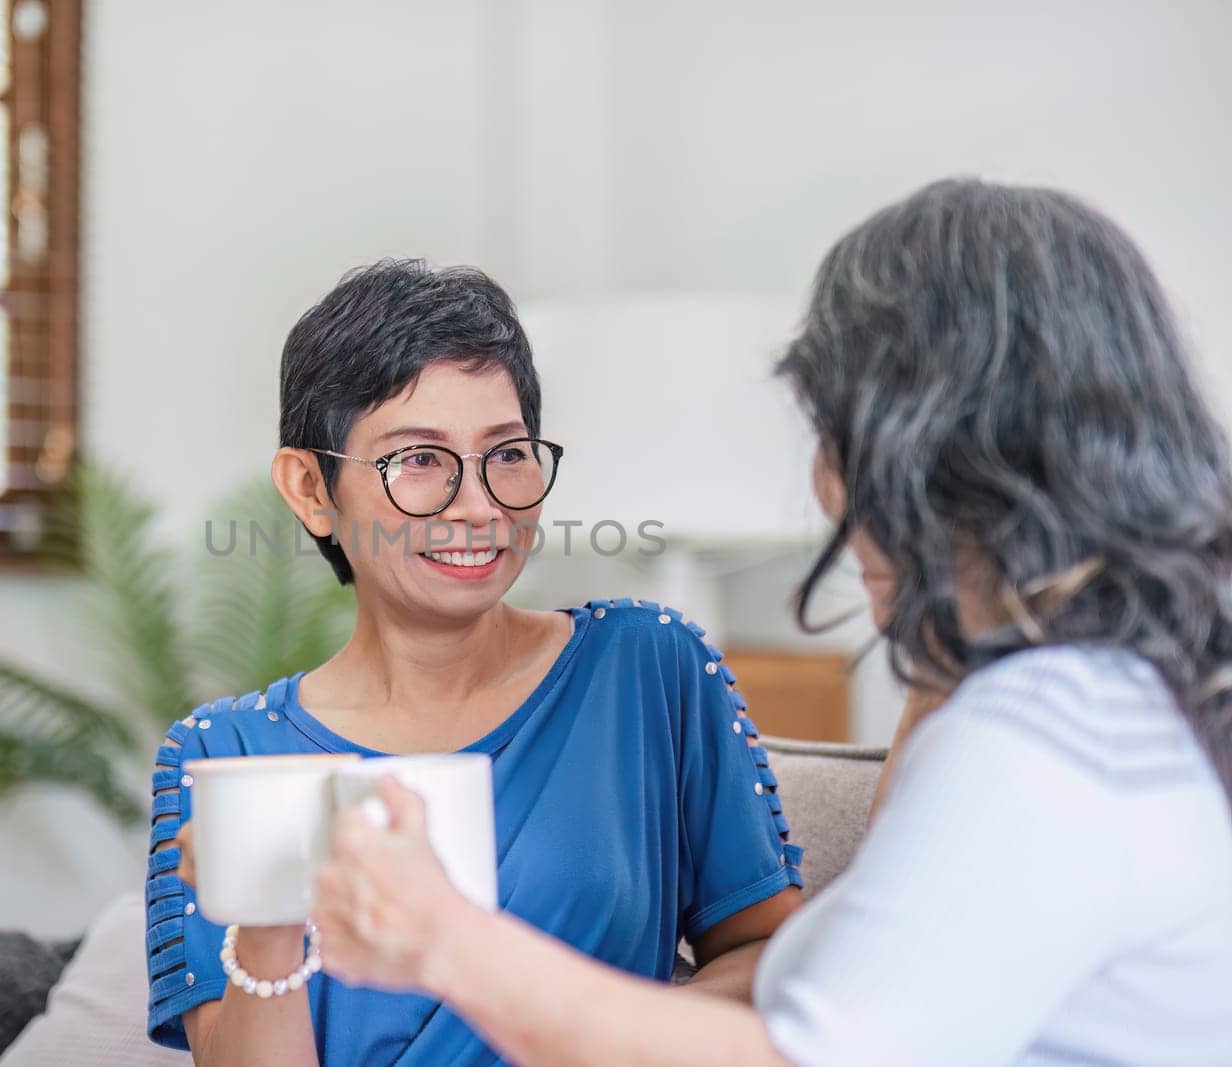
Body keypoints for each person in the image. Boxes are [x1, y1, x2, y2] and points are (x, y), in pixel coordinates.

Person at [308, 181, 1232, 1066]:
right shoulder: (1087, 701)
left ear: (928, 448)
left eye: (834, 432)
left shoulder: (1045, 731)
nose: (825, 487)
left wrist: (446, 941)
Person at [145, 260, 804, 1065]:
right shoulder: (224, 756)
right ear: (310, 488)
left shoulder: (647, 668)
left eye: (508, 453)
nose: (480, 505)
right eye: (419, 459)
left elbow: (775, 954)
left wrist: (594, 1031)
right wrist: (268, 927)